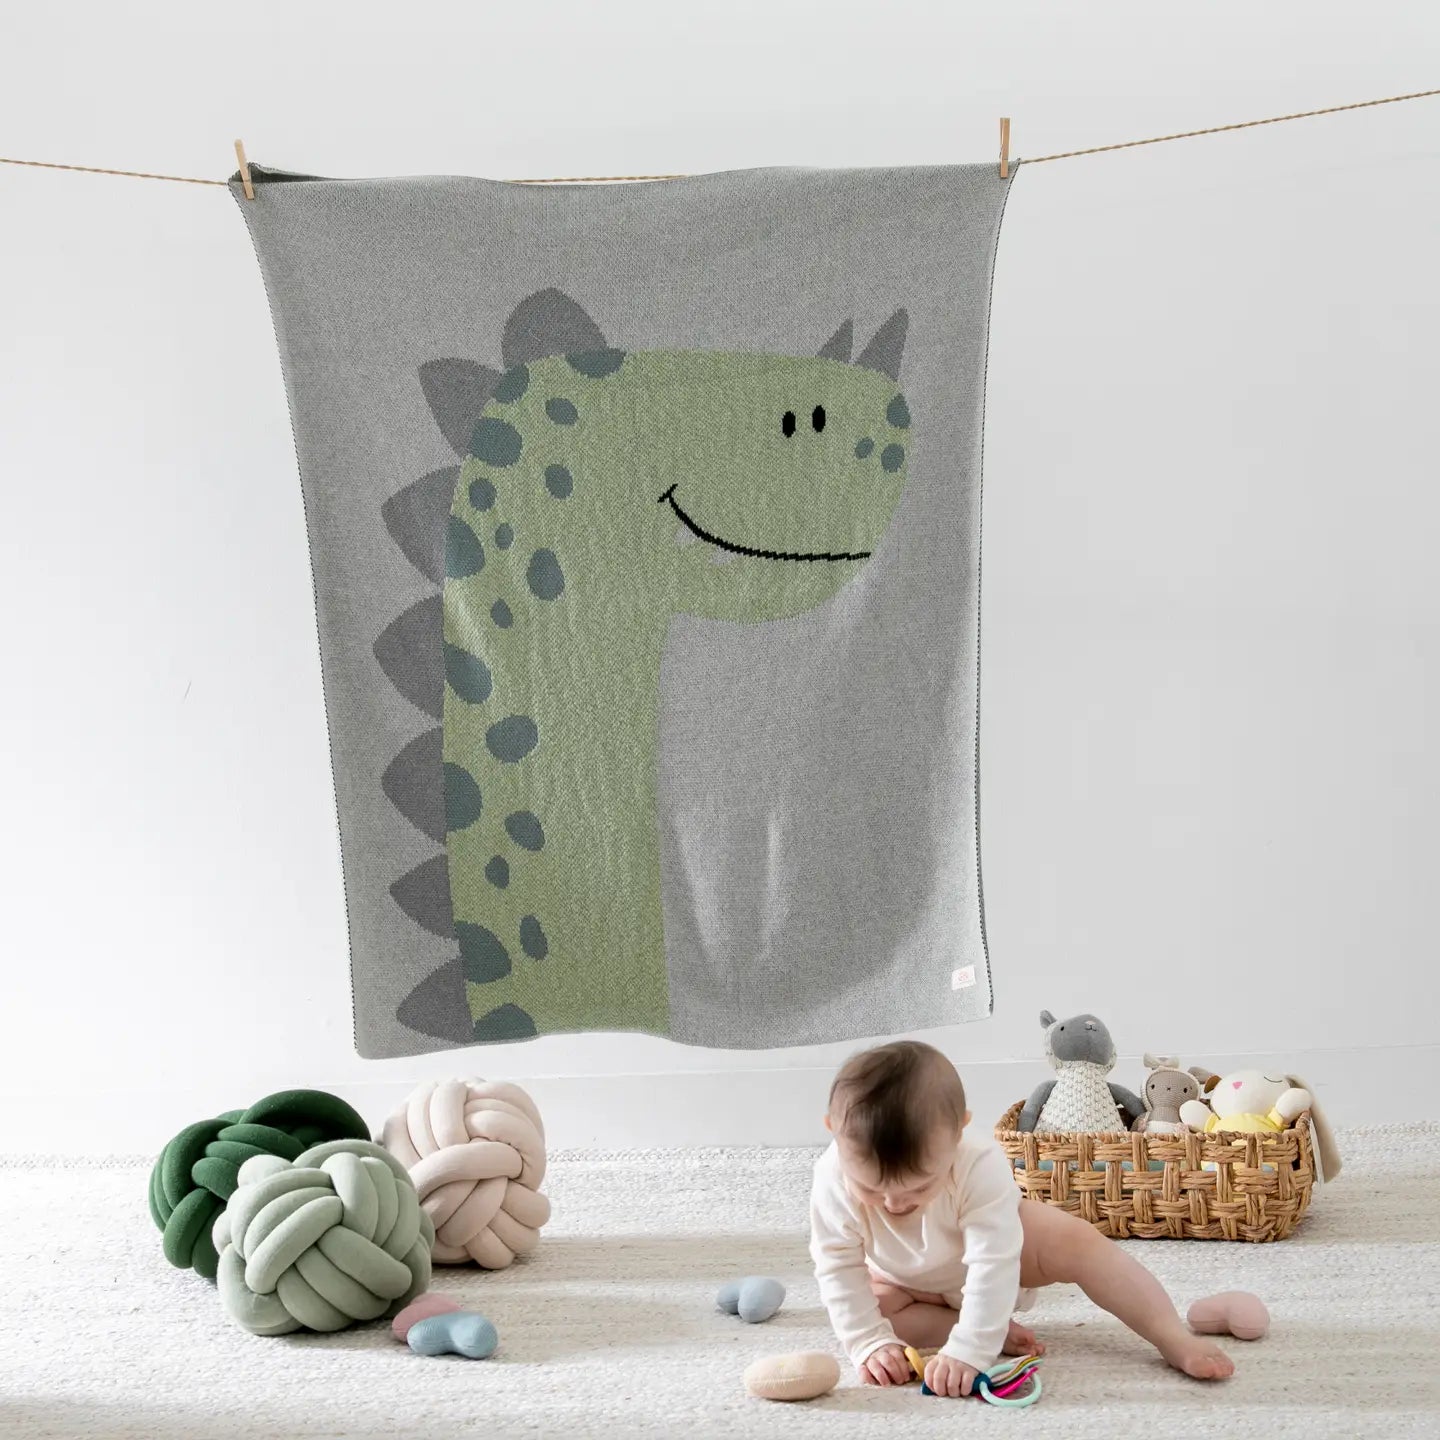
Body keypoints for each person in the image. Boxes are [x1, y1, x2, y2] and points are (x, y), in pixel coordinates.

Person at [809, 1040, 1267, 1397]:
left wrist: (970, 1352)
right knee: (869, 1309)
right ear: (832, 1129)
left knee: (1079, 1243)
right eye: (871, 1189)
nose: (893, 1204)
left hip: (1003, 1255)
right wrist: (869, 1342)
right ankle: (981, 1329)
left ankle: (1170, 1335)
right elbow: (837, 1266)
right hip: (902, 1278)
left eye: (917, 1187)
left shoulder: (978, 1163)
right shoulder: (831, 1177)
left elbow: (992, 1261)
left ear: (959, 1131)